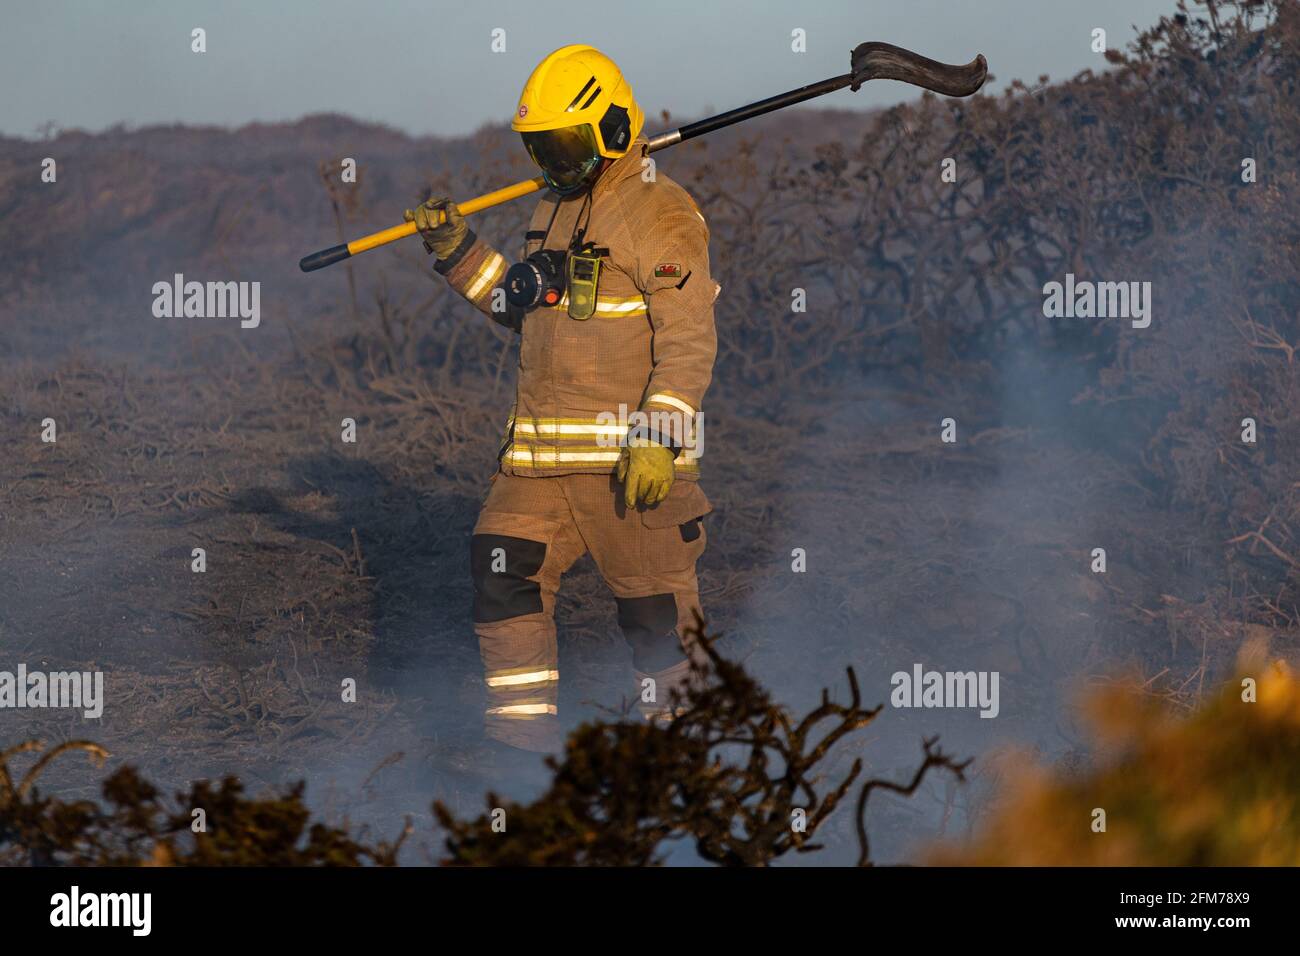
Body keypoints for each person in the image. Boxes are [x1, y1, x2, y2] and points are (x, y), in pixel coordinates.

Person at [406, 44, 719, 753]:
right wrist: (459, 251)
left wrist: (661, 438)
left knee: (658, 628)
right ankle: (522, 764)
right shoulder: (551, 210)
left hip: (632, 469)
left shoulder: (661, 213)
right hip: (537, 469)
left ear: (612, 129)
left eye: (567, 146)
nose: (554, 165)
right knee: (500, 577)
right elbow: (520, 305)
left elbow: (689, 338)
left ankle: (688, 768)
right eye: (541, 149)